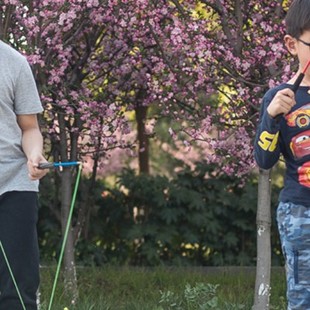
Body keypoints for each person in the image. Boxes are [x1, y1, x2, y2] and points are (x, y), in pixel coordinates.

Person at [254, 0, 310, 308]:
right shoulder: (279, 97)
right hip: (301, 214)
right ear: (291, 44)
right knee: (303, 299)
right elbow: (264, 160)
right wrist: (272, 117)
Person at [0, 39, 48, 309]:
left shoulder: (14, 62)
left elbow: (30, 127)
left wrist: (34, 154)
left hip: (14, 183)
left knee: (19, 289)